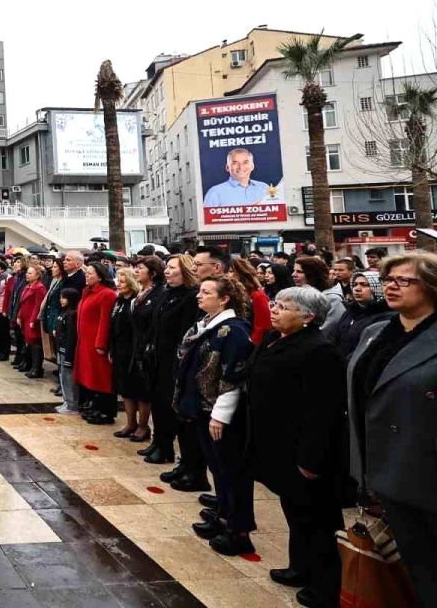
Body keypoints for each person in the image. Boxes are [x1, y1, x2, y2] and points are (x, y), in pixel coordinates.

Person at [247, 286, 347, 607]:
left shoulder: (320, 351)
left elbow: (323, 410)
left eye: (284, 307)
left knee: (317, 520)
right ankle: (299, 567)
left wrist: (311, 458)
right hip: (278, 444)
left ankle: (325, 585)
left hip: (305, 450)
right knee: (295, 511)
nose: (274, 310)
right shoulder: (274, 339)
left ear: (308, 317)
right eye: (275, 304)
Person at [347, 251, 437, 605]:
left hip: (423, 473)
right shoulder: (376, 331)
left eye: (404, 280)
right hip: (382, 471)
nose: (391, 286)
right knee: (410, 569)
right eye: (388, 280)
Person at [178, 276, 256, 556]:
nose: (199, 296)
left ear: (224, 299)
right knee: (218, 469)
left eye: (206, 292)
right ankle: (223, 516)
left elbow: (232, 375)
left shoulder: (233, 331)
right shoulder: (209, 326)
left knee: (232, 471)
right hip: (203, 408)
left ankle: (239, 529)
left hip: (220, 413)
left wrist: (220, 415)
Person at [145, 254, 203, 477]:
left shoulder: (189, 297)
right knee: (158, 402)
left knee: (170, 405)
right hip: (158, 356)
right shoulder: (166, 293)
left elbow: (186, 331)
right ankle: (159, 442)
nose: (167, 272)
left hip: (174, 359)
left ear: (184, 271)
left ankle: (168, 447)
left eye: (172, 268)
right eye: (166, 268)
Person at [125, 256, 164, 444]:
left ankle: (143, 426)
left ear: (153, 273)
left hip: (147, 346)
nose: (136, 271)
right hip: (134, 344)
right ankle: (131, 423)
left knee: (144, 389)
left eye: (140, 268)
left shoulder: (158, 294)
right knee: (130, 385)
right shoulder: (140, 292)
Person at [77, 261, 118, 424]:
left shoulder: (106, 294)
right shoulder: (88, 292)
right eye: (86, 273)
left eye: (90, 273)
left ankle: (106, 411)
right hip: (85, 342)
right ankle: (94, 406)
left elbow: (105, 320)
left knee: (102, 378)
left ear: (100, 276)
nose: (86, 276)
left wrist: (101, 344)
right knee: (90, 377)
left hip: (96, 344)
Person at [331, 270, 394, 360]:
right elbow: (334, 337)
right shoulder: (350, 311)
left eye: (364, 285)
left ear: (378, 288)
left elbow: (368, 351)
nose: (357, 288)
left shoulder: (386, 317)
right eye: (355, 284)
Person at [110, 268, 143, 435]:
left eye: (122, 281)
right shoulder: (119, 300)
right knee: (124, 388)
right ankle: (131, 423)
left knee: (136, 389)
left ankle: (142, 426)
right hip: (119, 349)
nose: (119, 284)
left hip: (132, 350)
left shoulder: (136, 301)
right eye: (118, 281)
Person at [202, 147, 276, 207]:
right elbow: (207, 222)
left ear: (252, 166)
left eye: (245, 162)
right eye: (235, 163)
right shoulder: (215, 192)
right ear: (227, 167)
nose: (240, 167)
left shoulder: (264, 188)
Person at [293, 255, 345, 337]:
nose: (293, 274)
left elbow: (327, 329)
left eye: (299, 272)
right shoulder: (301, 294)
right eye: (294, 271)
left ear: (312, 274)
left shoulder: (332, 299)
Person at [231, 257, 271, 344]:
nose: (227, 275)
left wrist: (250, 345)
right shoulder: (230, 294)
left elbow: (263, 327)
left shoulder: (257, 296)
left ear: (241, 273)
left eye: (231, 271)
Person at [54, 288, 81, 413]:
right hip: (60, 348)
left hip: (67, 350)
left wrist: (69, 356)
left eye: (64, 298)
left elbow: (71, 335)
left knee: (68, 377)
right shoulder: (64, 312)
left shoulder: (72, 314)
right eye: (60, 297)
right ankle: (66, 401)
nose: (61, 300)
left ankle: (72, 403)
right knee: (62, 375)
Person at [38, 258, 66, 380]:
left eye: (55, 267)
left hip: (57, 316)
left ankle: (61, 376)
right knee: (54, 347)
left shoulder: (63, 282)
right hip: (50, 315)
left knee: (59, 348)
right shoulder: (54, 281)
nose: (52, 269)